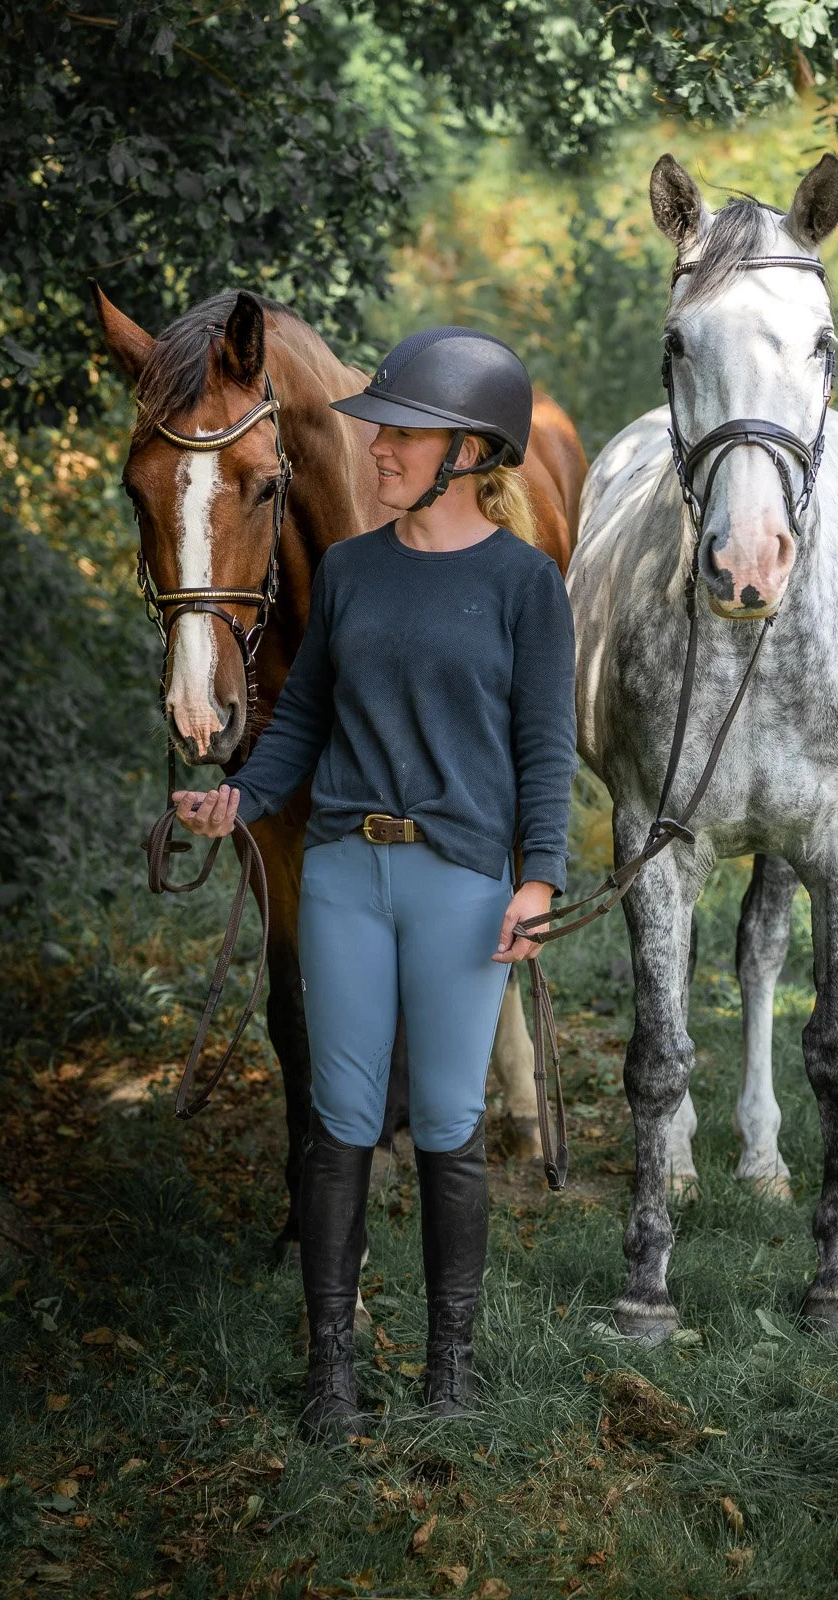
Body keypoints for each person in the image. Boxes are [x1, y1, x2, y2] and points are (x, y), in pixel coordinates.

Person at [170, 328, 576, 1437]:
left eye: (400, 431)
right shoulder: (349, 568)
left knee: (447, 1123)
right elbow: (298, 721)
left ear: (465, 451)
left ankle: (451, 1369)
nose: (376, 446)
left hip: (458, 883)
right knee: (340, 1120)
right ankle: (332, 1375)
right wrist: (239, 798)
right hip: (348, 873)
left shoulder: (524, 583)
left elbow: (546, 744)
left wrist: (539, 879)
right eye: (380, 428)